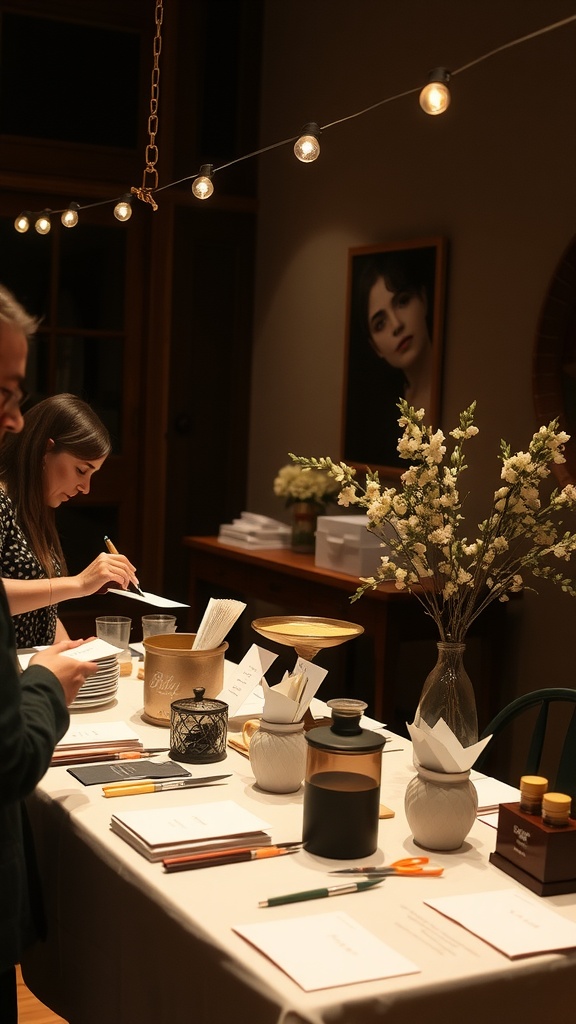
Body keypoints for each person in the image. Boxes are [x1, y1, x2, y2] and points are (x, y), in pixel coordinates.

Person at [0, 283, 100, 1023]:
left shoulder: (32, 513)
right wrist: (45, 684)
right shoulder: (6, 502)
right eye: (4, 392)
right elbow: (10, 755)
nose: (13, 417)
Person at [0, 393, 138, 647]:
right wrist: (79, 583)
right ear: (45, 449)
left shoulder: (34, 510)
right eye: (81, 470)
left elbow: (41, 611)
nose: (85, 487)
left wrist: (70, 649)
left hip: (30, 672)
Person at [343, 246, 438, 469]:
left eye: (402, 301)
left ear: (423, 298)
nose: (396, 325)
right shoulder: (381, 424)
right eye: (380, 323)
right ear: (375, 347)